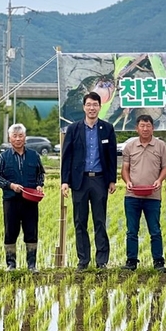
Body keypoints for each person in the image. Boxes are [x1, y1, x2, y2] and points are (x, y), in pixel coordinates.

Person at [60, 92, 118, 270]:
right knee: (80, 221)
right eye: (89, 105)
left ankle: (102, 261)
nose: (92, 108)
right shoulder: (74, 129)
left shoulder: (107, 128)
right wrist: (65, 181)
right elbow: (67, 156)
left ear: (100, 107)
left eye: (95, 105)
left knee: (100, 221)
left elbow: (111, 157)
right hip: (80, 181)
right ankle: (83, 261)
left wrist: (112, 180)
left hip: (100, 180)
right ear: (84, 107)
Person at [121, 114, 166, 272]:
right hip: (132, 196)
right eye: (142, 126)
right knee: (131, 230)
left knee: (155, 230)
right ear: (137, 128)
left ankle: (158, 261)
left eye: (148, 126)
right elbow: (125, 169)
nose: (145, 129)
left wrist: (159, 180)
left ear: (153, 128)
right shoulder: (130, 146)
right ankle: (131, 261)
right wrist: (127, 181)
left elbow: (165, 168)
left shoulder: (160, 145)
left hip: (153, 196)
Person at [0, 123, 45, 272]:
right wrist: (10, 185)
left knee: (31, 231)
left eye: (20, 136)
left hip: (30, 200)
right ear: (10, 139)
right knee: (11, 231)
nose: (17, 139)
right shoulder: (3, 157)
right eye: (14, 136)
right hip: (11, 200)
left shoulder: (34, 156)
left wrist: (39, 185)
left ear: (25, 138)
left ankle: (31, 265)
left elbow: (40, 174)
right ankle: (11, 264)